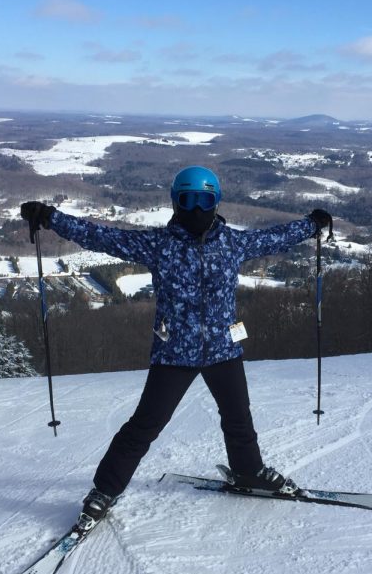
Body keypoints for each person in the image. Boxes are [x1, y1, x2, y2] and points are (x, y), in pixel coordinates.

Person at [21, 165, 332, 533]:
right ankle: (104, 490)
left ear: (216, 202)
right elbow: (100, 236)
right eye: (188, 199)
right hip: (174, 354)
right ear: (176, 202)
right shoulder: (160, 245)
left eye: (205, 199)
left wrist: (311, 225)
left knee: (239, 419)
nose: (197, 208)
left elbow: (275, 237)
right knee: (144, 426)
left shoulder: (232, 243)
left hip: (224, 349)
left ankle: (248, 471)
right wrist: (52, 218)